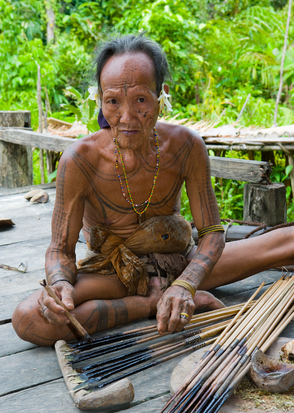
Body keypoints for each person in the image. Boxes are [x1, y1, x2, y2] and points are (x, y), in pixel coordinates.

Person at [12, 35, 294, 347]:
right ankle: (149, 303)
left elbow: (212, 234)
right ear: (100, 101)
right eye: (114, 101)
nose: (127, 117)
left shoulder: (186, 146)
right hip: (115, 275)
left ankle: (171, 294)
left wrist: (185, 284)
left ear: (161, 99)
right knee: (29, 317)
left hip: (181, 262)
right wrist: (61, 283)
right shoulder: (80, 159)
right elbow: (60, 251)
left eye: (141, 100)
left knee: (288, 240)